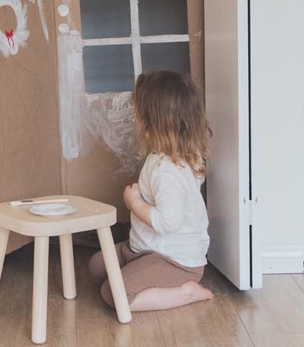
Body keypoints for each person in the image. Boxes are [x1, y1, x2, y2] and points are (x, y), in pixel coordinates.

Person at [88, 70, 214, 311]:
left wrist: (134, 202)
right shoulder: (174, 156)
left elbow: (167, 222)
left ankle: (184, 292)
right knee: (96, 266)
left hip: (174, 261)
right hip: (144, 248)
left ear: (150, 124)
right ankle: (142, 280)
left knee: (114, 295)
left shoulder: (168, 172)